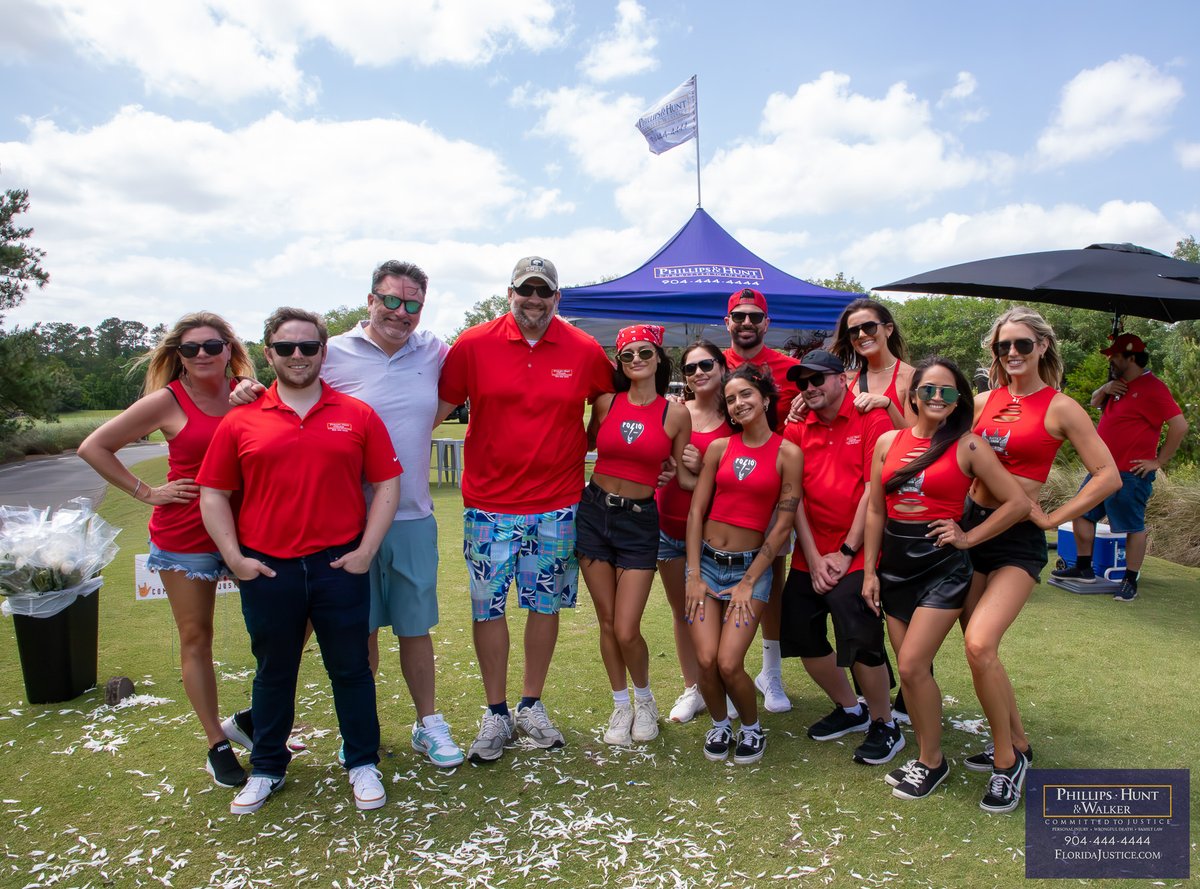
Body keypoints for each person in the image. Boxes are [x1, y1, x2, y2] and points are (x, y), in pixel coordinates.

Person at [223, 260, 463, 768]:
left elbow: (440, 406)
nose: (401, 312)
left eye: (413, 303)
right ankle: (362, 732)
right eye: (391, 300)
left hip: (413, 514)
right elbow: (288, 385)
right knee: (359, 635)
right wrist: (245, 388)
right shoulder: (331, 352)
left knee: (415, 628)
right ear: (370, 300)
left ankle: (428, 724)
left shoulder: (435, 351)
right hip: (345, 523)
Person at [198, 307, 401, 815]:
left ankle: (361, 762)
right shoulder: (240, 419)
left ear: (322, 352)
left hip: (339, 564)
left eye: (308, 347)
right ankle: (266, 766)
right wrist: (235, 560)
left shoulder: (356, 414)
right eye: (285, 347)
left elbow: (387, 485)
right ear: (268, 354)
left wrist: (366, 552)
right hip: (269, 568)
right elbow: (214, 493)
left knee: (351, 669)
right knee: (274, 671)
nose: (297, 356)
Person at [436, 256, 615, 763]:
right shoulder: (472, 345)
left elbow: (610, 405)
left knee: (544, 606)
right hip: (489, 506)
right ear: (508, 292)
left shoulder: (582, 349)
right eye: (525, 290)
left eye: (544, 292)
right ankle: (495, 712)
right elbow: (433, 408)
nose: (534, 300)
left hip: (557, 505)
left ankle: (530, 704)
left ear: (557, 298)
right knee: (487, 607)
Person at [78, 313, 256, 789]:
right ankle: (217, 744)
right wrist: (146, 492)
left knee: (293, 623)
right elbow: (94, 447)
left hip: (252, 530)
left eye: (212, 346)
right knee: (196, 636)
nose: (202, 355)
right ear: (178, 355)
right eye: (191, 348)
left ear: (229, 349)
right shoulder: (166, 400)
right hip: (187, 533)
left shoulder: (251, 392)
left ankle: (254, 718)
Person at [962, 306, 1120, 814]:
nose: (1012, 354)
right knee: (980, 651)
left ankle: (1009, 764)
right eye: (1003, 346)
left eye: (1022, 345)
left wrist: (1054, 520)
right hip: (970, 527)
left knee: (980, 643)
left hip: (1017, 542)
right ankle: (1019, 740)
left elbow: (1107, 475)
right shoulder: (982, 401)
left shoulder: (1061, 407)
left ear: (1043, 347)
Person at [862, 358, 1028, 801]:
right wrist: (869, 572)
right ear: (912, 394)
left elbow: (1016, 502)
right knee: (913, 675)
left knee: (914, 664)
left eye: (948, 392)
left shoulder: (969, 446)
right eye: (929, 390)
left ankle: (993, 761)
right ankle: (929, 758)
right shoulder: (886, 441)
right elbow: (876, 509)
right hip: (893, 567)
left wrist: (968, 536)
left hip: (942, 567)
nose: (937, 398)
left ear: (958, 401)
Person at [778, 350, 901, 765]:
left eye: (818, 380)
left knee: (859, 632)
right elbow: (792, 497)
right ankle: (852, 708)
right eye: (802, 383)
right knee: (797, 629)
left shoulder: (871, 418)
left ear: (842, 379)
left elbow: (874, 489)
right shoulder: (796, 426)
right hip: (812, 551)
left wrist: (846, 552)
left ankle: (885, 722)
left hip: (860, 549)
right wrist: (813, 558)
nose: (809, 388)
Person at [579, 325, 696, 745]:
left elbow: (681, 477)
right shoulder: (607, 402)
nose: (635, 361)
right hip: (594, 514)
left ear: (659, 357)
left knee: (628, 627)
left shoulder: (675, 413)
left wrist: (698, 465)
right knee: (607, 623)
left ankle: (644, 700)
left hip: (640, 522)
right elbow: (586, 444)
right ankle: (620, 706)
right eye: (626, 356)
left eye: (643, 352)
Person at [684, 365, 802, 764]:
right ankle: (720, 723)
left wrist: (750, 581)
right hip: (707, 565)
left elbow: (784, 523)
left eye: (746, 394)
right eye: (731, 399)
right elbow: (697, 511)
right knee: (704, 660)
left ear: (766, 399)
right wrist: (694, 575)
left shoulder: (788, 453)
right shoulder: (719, 449)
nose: (739, 403)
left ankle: (751, 727)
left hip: (750, 570)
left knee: (729, 662)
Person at [1051, 333, 1188, 601]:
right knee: (1081, 512)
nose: (1110, 359)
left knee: (1132, 526)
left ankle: (1129, 580)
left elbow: (1180, 425)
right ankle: (1083, 568)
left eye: (1115, 355)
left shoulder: (1154, 388)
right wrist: (1105, 388)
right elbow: (1093, 401)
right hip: (1101, 470)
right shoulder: (1117, 384)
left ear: (1131, 357)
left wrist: (1158, 461)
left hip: (1131, 473)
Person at [721, 288, 800, 714]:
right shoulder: (714, 364)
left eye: (754, 317)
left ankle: (770, 671)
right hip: (719, 486)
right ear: (727, 321)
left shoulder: (790, 370)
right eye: (739, 316)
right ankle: (713, 674)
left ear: (766, 323)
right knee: (714, 579)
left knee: (772, 580)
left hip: (770, 487)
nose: (746, 323)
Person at [656, 342, 732, 724]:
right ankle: (694, 688)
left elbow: (744, 481)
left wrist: (705, 469)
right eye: (690, 368)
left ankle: (718, 682)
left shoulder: (735, 417)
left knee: (715, 614)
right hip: (668, 525)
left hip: (714, 533)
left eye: (706, 365)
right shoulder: (674, 412)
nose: (698, 373)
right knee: (682, 612)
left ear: (722, 367)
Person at [831, 298, 915, 429]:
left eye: (869, 327)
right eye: (854, 331)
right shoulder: (844, 380)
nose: (861, 335)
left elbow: (913, 440)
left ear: (888, 329)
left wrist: (888, 404)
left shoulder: (911, 378)